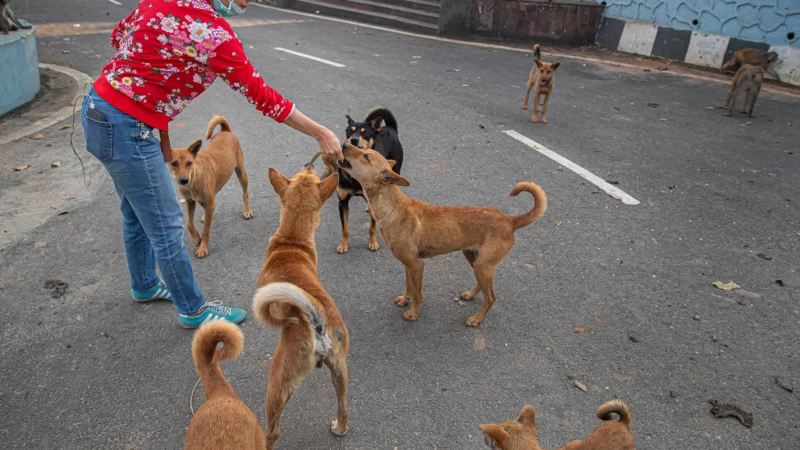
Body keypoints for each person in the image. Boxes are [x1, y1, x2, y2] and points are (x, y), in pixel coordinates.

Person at [81, 0, 342, 328]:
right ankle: (194, 310)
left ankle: (145, 284)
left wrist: (154, 95)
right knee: (166, 225)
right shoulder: (215, 36)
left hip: (98, 112)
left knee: (134, 212)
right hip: (128, 128)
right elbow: (263, 96)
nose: (246, 3)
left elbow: (120, 38)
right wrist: (320, 133)